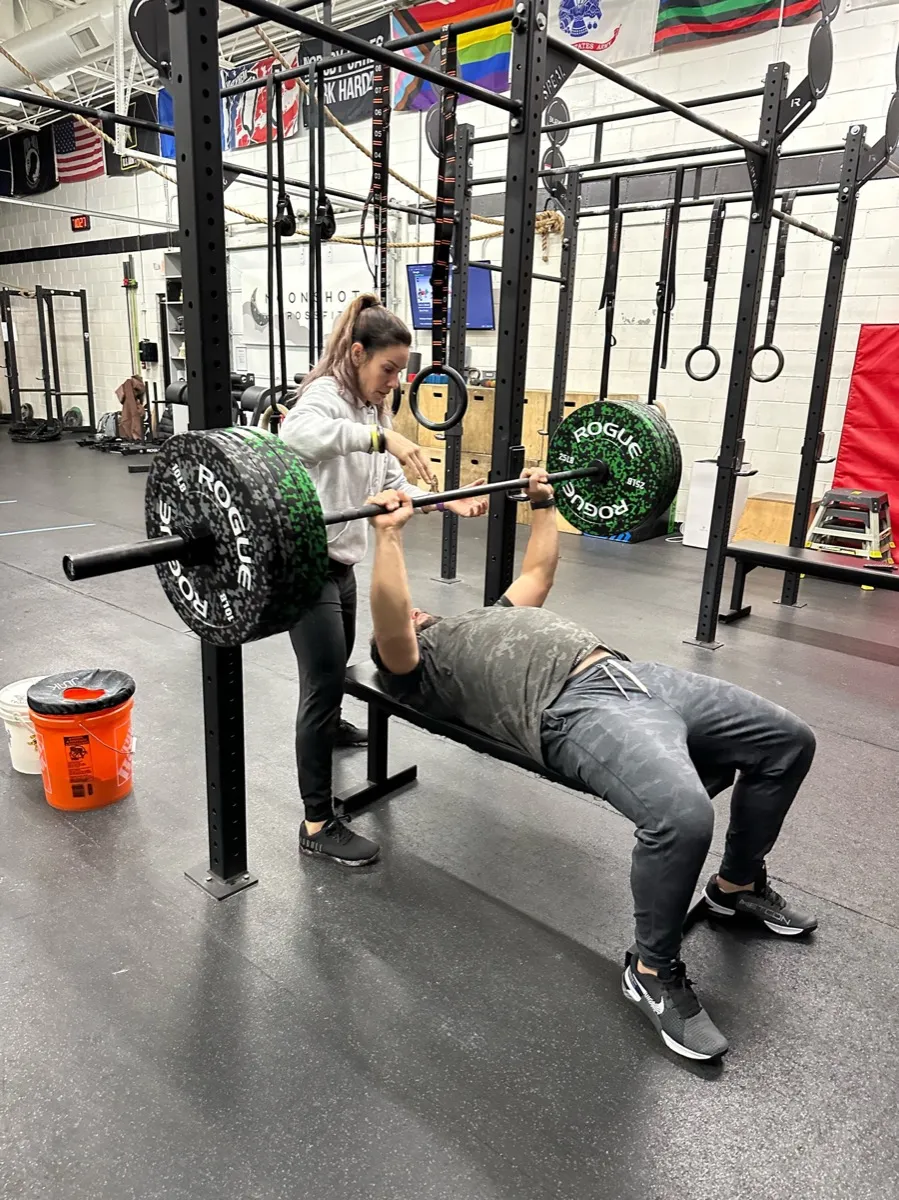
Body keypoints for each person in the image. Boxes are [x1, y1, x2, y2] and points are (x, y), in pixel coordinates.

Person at [364, 469, 818, 1062]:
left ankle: (736, 885)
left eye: (420, 611)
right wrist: (390, 538)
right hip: (571, 709)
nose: (420, 612)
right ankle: (652, 972)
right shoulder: (418, 669)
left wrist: (546, 505)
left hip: (637, 676)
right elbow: (392, 622)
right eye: (412, 617)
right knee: (680, 817)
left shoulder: (480, 618)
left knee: (788, 740)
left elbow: (537, 574)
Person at [280, 294, 488, 869]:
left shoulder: (375, 410)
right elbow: (295, 437)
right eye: (387, 369)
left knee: (336, 665)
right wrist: (378, 437)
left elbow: (393, 480)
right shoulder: (325, 395)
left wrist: (447, 502)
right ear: (356, 353)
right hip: (306, 564)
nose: (394, 382)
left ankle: (329, 724)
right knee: (321, 684)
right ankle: (317, 822)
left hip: (342, 562)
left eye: (401, 371)